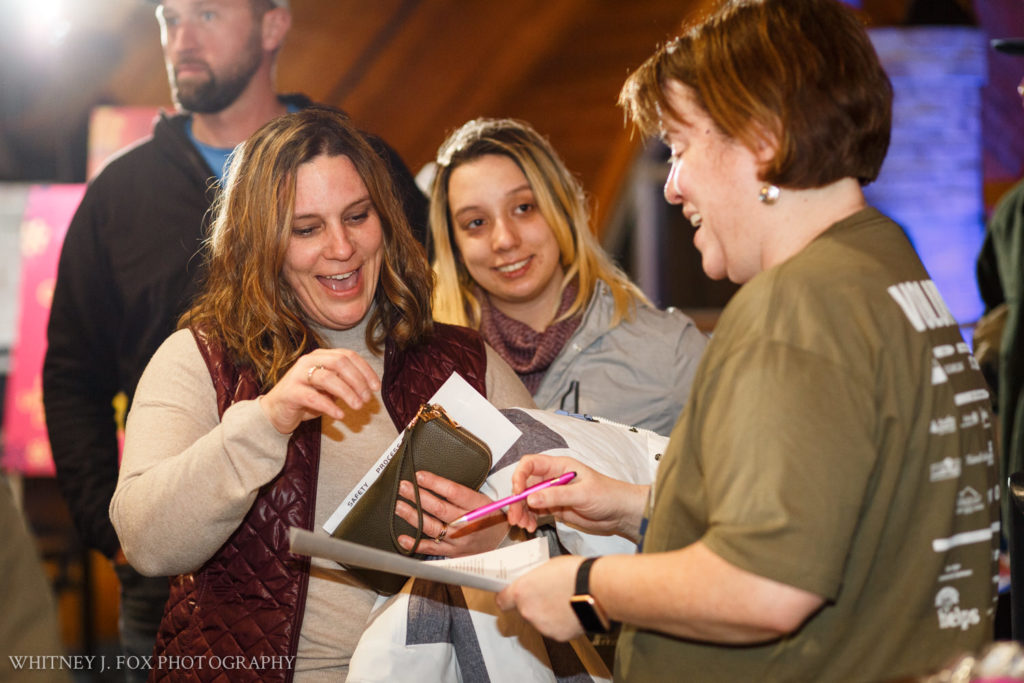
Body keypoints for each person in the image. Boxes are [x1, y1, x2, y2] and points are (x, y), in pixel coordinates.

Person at [496, 1, 999, 681]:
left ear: (761, 139)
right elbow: (840, 506)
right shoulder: (886, 264)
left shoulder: (796, 308)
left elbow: (767, 586)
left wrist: (587, 587)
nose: (673, 185)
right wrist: (631, 503)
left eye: (680, 147)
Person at [41, 0, 426, 673]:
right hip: (168, 564)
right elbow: (73, 374)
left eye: (208, 15)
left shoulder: (362, 165)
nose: (181, 38)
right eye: (169, 18)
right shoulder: (121, 195)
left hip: (351, 578)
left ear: (274, 25)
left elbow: (427, 314)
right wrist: (115, 529)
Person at [107, 107, 531, 681]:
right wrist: (266, 420)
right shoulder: (202, 359)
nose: (342, 248)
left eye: (358, 216)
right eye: (307, 229)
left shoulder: (464, 361)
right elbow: (147, 543)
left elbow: (555, 515)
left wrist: (501, 533)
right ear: (258, 243)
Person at [429, 118, 707, 436]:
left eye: (523, 207)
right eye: (476, 222)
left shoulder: (667, 350)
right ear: (454, 246)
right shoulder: (428, 365)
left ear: (561, 209)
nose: (504, 240)